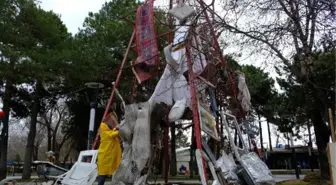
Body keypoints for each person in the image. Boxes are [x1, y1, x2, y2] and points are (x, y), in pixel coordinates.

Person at [97, 111, 122, 185]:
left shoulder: (105, 130)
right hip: (105, 158)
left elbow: (112, 132)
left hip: (106, 158)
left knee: (103, 177)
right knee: (102, 178)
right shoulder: (104, 131)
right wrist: (120, 128)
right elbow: (112, 134)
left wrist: (116, 128)